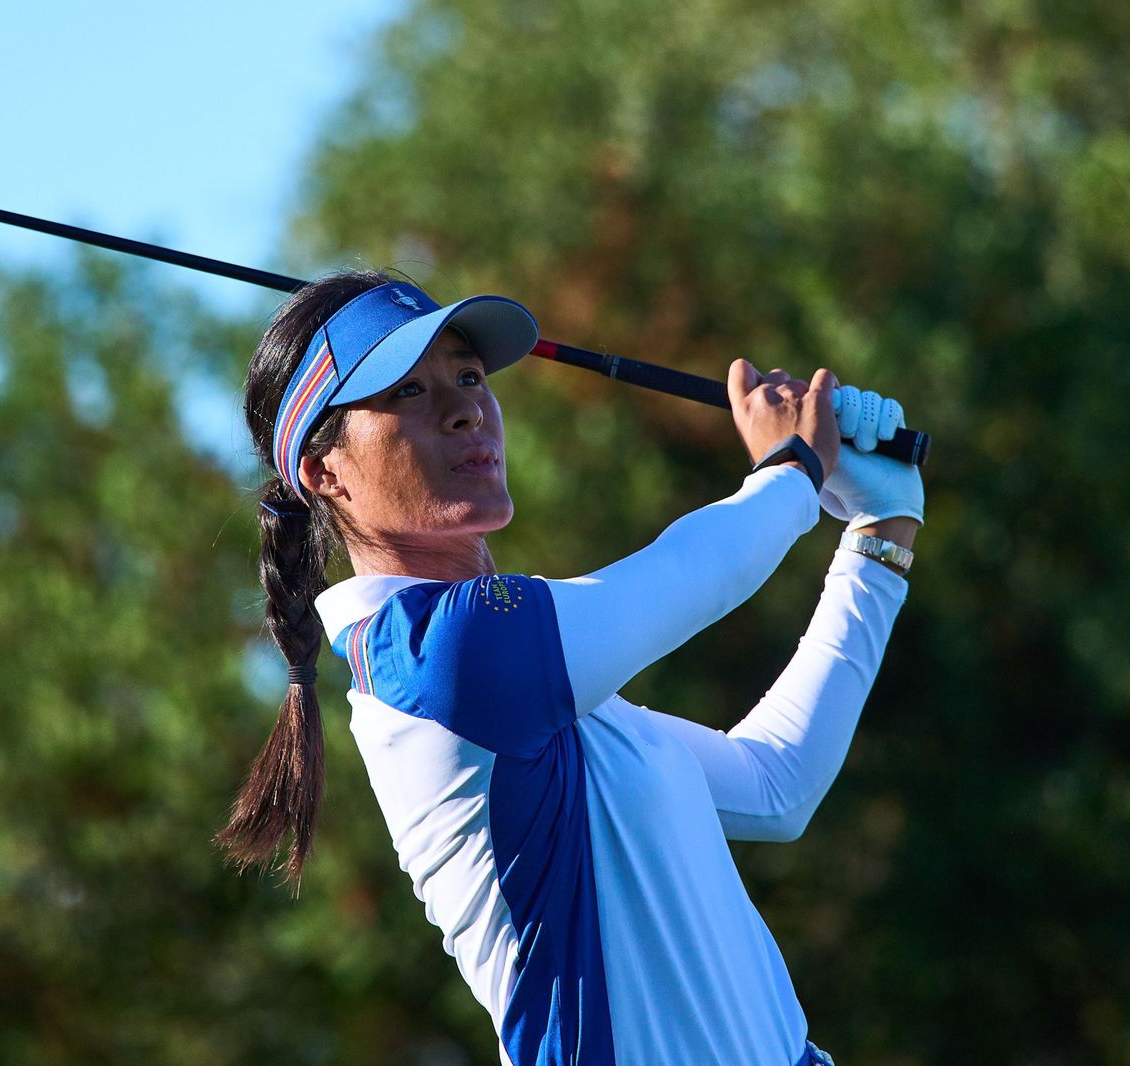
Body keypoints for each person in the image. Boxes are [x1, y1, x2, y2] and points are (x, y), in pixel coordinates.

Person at [216, 270, 924, 1066]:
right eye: (407, 392)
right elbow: (689, 572)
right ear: (324, 474)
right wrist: (792, 469)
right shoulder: (439, 661)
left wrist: (878, 539)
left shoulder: (536, 690)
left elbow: (775, 784)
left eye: (469, 375)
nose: (464, 408)